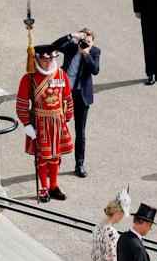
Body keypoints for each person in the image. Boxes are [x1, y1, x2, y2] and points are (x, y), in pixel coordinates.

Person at [15, 44, 74, 203]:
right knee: (42, 158)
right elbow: (21, 104)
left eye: (51, 59)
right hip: (39, 122)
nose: (48, 62)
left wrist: (67, 118)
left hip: (58, 122)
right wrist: (27, 124)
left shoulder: (61, 74)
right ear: (37, 59)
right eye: (44, 59)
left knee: (56, 156)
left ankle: (54, 186)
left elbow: (68, 99)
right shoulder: (29, 78)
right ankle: (43, 188)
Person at [52, 29, 100, 178]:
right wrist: (71, 36)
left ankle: (79, 164)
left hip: (81, 95)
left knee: (80, 131)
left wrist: (85, 53)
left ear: (93, 43)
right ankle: (55, 161)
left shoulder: (94, 52)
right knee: (57, 128)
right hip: (64, 93)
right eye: (83, 40)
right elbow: (54, 46)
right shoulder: (71, 47)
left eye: (89, 42)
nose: (85, 43)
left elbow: (95, 70)